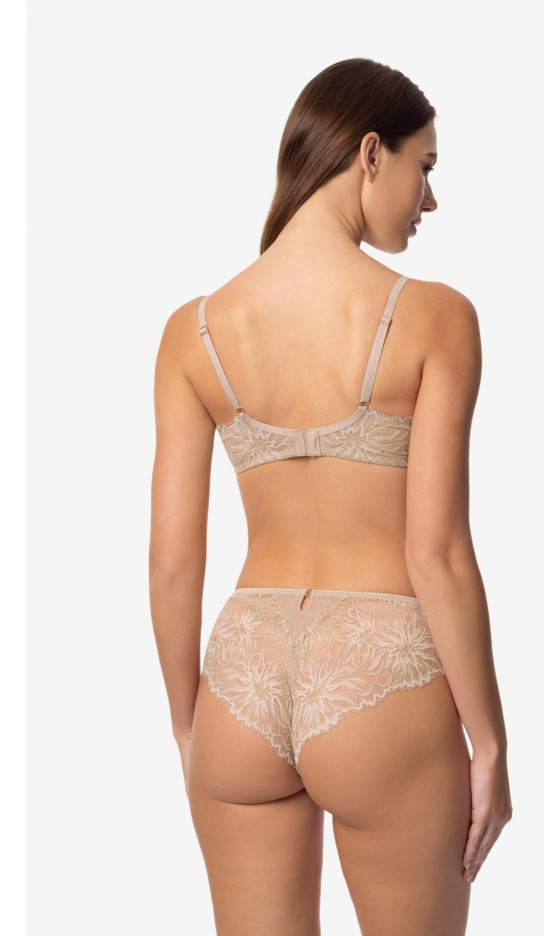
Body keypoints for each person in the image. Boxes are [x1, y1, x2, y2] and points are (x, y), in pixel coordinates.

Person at [149, 57, 512, 936]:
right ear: (370, 152)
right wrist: (491, 741)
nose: (430, 200)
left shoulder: (194, 331)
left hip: (241, 675)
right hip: (381, 677)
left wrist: (190, 728)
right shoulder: (435, 317)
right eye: (426, 166)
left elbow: (172, 562)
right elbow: (437, 553)